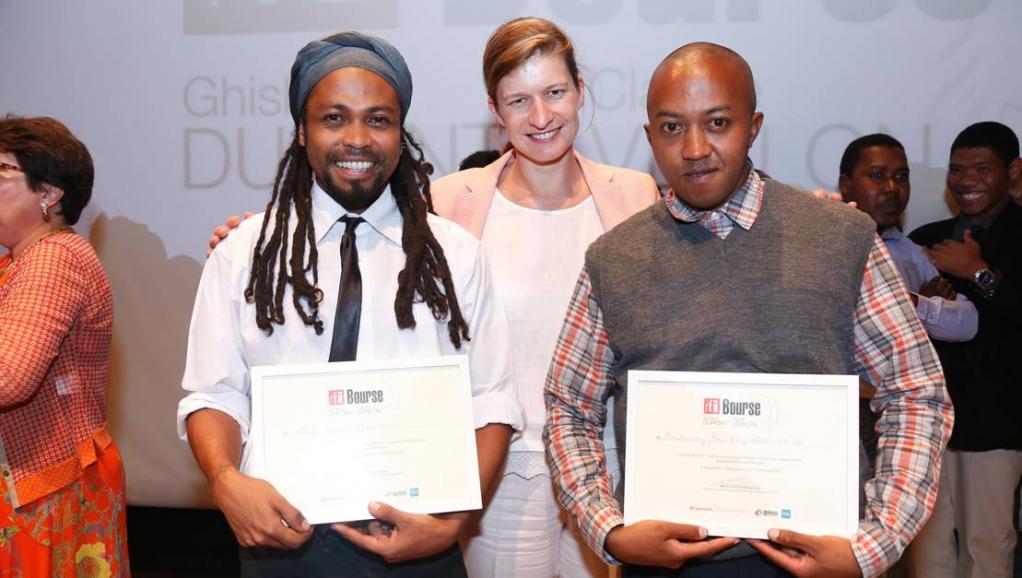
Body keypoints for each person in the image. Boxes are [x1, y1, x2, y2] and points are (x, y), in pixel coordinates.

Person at [543, 42, 953, 578]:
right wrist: (610, 530)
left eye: (717, 122)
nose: (694, 148)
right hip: (661, 565)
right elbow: (567, 406)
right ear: (649, 137)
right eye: (671, 128)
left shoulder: (841, 238)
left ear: (753, 126)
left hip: (818, 562)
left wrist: (871, 545)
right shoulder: (613, 259)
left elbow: (915, 393)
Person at [178, 31, 522, 577]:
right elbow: (214, 393)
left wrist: (452, 523)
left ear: (399, 132)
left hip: (419, 541)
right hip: (280, 543)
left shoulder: (456, 256)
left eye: (379, 119)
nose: (357, 138)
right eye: (334, 118)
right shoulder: (246, 254)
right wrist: (224, 481)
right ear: (301, 131)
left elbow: (491, 401)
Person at [429, 17, 660, 578]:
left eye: (555, 92)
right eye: (519, 100)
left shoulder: (635, 193)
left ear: (580, 90)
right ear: (494, 108)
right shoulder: (449, 200)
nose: (540, 118)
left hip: (607, 466)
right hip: (502, 469)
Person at [0, 116, 128, 576]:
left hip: (46, 492)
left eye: (0, 173)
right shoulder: (27, 258)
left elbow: (8, 378)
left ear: (49, 194)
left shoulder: (53, 259)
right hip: (43, 484)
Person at [905, 121, 1022, 578]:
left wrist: (976, 274)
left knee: (987, 549)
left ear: (1012, 171)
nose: (966, 179)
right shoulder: (925, 238)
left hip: (996, 427)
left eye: (981, 168)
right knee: (927, 556)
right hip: (930, 424)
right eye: (957, 168)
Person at [838, 133, 977, 471]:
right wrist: (915, 305)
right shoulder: (827, 246)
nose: (891, 188)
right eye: (877, 176)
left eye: (901, 177)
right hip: (844, 418)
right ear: (845, 185)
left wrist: (913, 304)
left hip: (905, 416)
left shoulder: (910, 251)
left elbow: (967, 322)